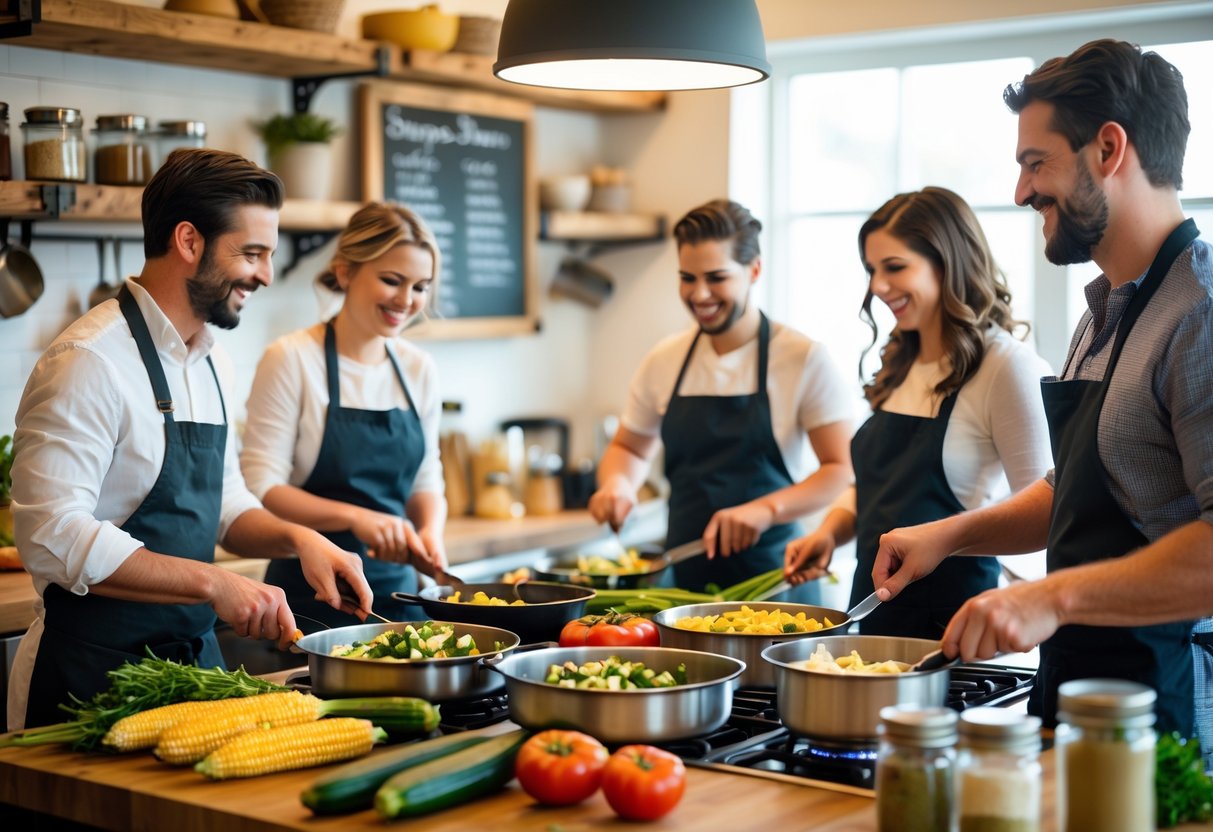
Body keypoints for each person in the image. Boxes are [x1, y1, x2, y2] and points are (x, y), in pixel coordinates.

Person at [870, 39, 1213, 741]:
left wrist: (1047, 598)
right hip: (1076, 695)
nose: (1021, 192)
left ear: (1107, 149)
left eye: (1035, 163)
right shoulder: (1105, 310)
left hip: (1166, 718)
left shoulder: (1200, 313)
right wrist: (952, 534)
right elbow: (1087, 487)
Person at [7, 148, 373, 730]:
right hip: (89, 681)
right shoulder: (87, 361)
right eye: (251, 253)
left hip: (193, 673)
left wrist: (298, 539)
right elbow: (51, 536)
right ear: (188, 241)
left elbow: (224, 503)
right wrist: (213, 581)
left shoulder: (210, 360)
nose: (266, 275)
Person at [784, 187, 1052, 639]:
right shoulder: (901, 359)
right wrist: (830, 532)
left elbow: (1042, 511)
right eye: (872, 270)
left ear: (948, 262)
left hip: (952, 631)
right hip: (872, 619)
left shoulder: (1006, 366)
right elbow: (878, 486)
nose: (877, 286)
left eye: (895, 267)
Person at [589, 199, 853, 603]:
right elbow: (628, 446)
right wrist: (618, 484)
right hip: (681, 590)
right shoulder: (665, 359)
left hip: (775, 582)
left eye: (716, 278)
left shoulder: (802, 358)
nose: (700, 294)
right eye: (687, 278)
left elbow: (841, 469)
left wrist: (764, 510)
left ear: (754, 270)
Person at [241, 202, 446, 630]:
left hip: (400, 598)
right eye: (392, 280)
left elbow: (426, 479)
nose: (406, 301)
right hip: (310, 600)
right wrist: (356, 518)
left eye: (421, 287)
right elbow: (263, 485)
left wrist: (430, 533)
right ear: (346, 272)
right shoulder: (292, 358)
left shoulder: (418, 368)